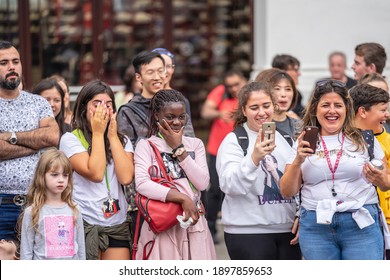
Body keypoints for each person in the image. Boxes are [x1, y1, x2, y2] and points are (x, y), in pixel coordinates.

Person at [280, 79, 390, 260]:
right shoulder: (304, 140)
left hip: (360, 224)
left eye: (338, 105)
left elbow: (386, 184)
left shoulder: (365, 139)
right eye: (325, 105)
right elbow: (287, 190)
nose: (332, 111)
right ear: (315, 108)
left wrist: (379, 178)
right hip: (316, 226)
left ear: (347, 109)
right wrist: (298, 161)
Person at [216, 81, 301, 260]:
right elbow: (229, 185)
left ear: (274, 106)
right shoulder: (235, 140)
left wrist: (301, 215)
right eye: (254, 107)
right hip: (248, 232)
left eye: (266, 106)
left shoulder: (285, 138)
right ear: (244, 110)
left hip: (287, 231)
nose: (262, 112)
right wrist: (254, 157)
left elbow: (299, 180)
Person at [117, 51, 195, 241]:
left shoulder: (179, 103)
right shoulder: (128, 111)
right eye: (151, 72)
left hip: (182, 189)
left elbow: (190, 143)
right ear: (138, 77)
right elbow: (129, 157)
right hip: (150, 196)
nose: (158, 76)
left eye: (161, 70)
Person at [133, 89, 216, 260]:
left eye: (182, 116)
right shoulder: (146, 146)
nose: (177, 122)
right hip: (163, 222)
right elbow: (142, 183)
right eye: (170, 117)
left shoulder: (195, 144)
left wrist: (179, 149)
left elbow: (202, 183)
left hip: (193, 223)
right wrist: (182, 198)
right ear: (157, 115)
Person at [60, 80, 134, 260]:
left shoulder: (123, 140)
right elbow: (95, 173)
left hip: (117, 223)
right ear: (84, 107)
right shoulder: (70, 139)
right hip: (84, 222)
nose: (103, 109)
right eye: (97, 104)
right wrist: (98, 133)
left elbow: (126, 178)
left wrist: (113, 137)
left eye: (108, 104)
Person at [0, 40, 59, 240]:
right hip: (2, 207)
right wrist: (35, 145)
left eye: (15, 61)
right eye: (4, 63)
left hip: (39, 203)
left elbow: (51, 136)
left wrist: (11, 137)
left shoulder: (38, 102)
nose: (12, 67)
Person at [200, 69, 247, 243]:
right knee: (214, 190)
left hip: (243, 151)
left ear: (244, 80)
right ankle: (210, 229)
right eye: (230, 85)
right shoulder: (221, 91)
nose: (234, 88)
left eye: (237, 84)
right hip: (216, 149)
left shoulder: (250, 94)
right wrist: (219, 113)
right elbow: (205, 112)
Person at [19, 148, 85, 260]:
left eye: (65, 175)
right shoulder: (32, 211)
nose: (61, 180)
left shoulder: (75, 209)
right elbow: (26, 253)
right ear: (41, 176)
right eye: (54, 175)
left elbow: (81, 249)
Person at [349, 83, 390, 258]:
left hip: (378, 220)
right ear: (363, 111)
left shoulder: (374, 140)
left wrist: (382, 179)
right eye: (383, 110)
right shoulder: (337, 138)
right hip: (346, 222)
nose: (387, 115)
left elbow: (386, 181)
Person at [152, 47, 195, 137]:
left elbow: (188, 135)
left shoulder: (180, 100)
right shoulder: (141, 100)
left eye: (167, 66)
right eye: (159, 67)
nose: (164, 71)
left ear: (173, 69)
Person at [255, 68, 301, 143]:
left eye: (288, 89)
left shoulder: (298, 125)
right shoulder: (257, 123)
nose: (283, 94)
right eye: (277, 88)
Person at [272, 54, 304, 118]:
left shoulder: (298, 94)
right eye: (295, 70)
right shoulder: (266, 93)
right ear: (282, 71)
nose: (299, 73)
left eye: (288, 89)